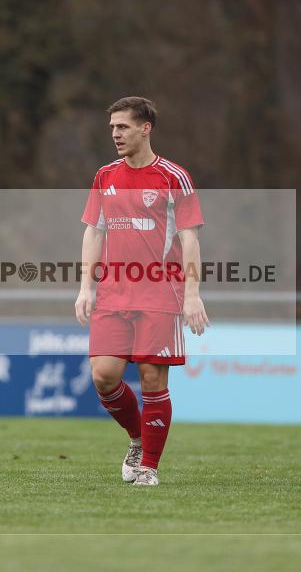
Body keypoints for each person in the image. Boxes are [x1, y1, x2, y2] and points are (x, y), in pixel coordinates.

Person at [75, 96, 209, 486]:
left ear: (145, 128)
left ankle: (148, 466)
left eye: (123, 127)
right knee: (104, 376)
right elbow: (93, 231)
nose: (115, 134)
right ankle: (137, 438)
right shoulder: (105, 176)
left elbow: (189, 239)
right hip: (113, 292)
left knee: (153, 378)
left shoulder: (173, 177)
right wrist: (86, 287)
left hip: (160, 293)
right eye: (112, 127)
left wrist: (192, 294)